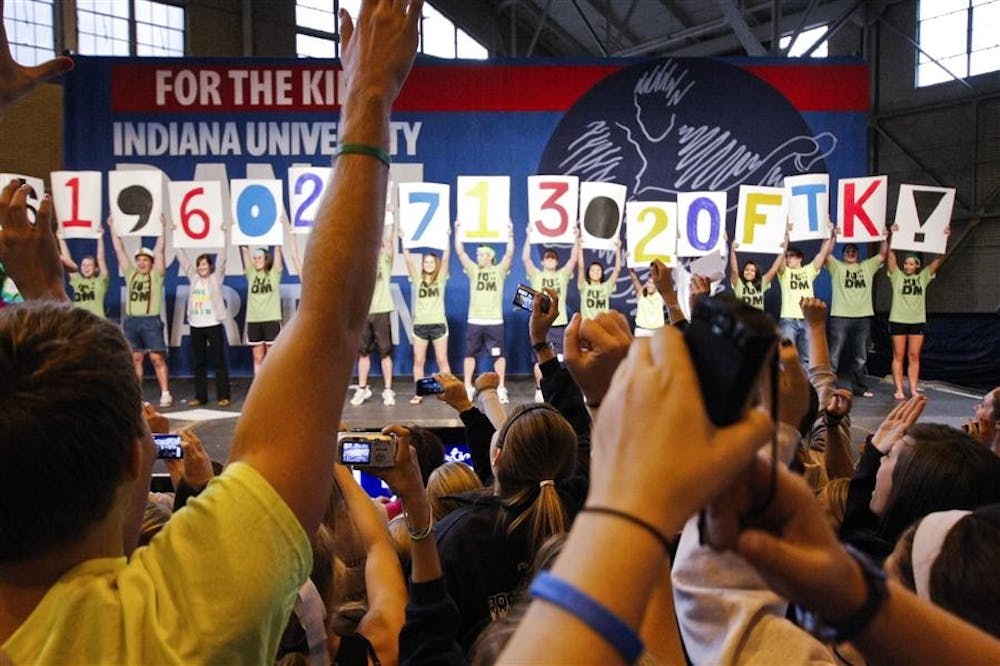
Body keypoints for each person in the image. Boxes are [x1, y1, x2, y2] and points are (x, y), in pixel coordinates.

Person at [0, 1, 421, 660]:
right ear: (133, 459)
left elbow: (328, 318)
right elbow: (332, 315)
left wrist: (47, 299)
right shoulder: (179, 622)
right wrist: (369, 94)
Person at [108, 218, 172, 407]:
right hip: (132, 321)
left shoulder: (156, 275)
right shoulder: (131, 274)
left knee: (156, 358)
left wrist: (162, 229)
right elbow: (119, 251)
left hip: (150, 321)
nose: (142, 263)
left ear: (151, 263)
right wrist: (113, 228)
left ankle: (165, 393)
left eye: (145, 260)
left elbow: (160, 250)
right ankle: (136, 396)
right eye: (139, 260)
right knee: (135, 358)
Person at [454, 220, 515, 403]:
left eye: (481, 254)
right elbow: (460, 252)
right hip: (475, 319)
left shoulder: (499, 271)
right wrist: (458, 231)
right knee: (469, 354)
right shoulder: (473, 270)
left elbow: (510, 253)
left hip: (494, 320)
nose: (478, 257)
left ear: (489, 256)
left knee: (498, 356)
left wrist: (510, 233)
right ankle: (467, 386)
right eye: (478, 254)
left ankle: (501, 387)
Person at [887, 228, 949, 399]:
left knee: (914, 355)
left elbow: (938, 259)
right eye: (906, 263)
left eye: (911, 263)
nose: (907, 266)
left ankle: (913, 388)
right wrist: (893, 235)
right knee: (898, 355)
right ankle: (899, 389)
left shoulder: (923, 277)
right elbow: (891, 256)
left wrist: (944, 238)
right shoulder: (897, 276)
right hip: (898, 319)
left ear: (917, 265)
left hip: (917, 320)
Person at [825, 236, 888, 398]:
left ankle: (859, 387)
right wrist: (832, 237)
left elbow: (883, 254)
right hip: (840, 316)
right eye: (848, 251)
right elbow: (826, 255)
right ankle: (828, 387)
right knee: (834, 354)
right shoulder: (837, 267)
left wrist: (884, 238)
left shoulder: (866, 266)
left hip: (863, 317)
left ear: (857, 254)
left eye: (854, 251)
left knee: (860, 355)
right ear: (843, 253)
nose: (851, 253)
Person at [177, 233, 231, 407]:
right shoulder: (194, 279)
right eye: (199, 264)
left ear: (210, 266)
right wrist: (175, 236)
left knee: (218, 361)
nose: (201, 267)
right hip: (196, 325)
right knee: (199, 363)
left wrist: (224, 235)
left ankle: (224, 396)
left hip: (213, 324)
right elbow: (183, 260)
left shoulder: (216, 279)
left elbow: (222, 259)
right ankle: (201, 396)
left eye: (204, 264)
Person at [523, 234, 579, 401]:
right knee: (540, 357)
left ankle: (561, 390)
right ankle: (540, 389)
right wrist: (528, 235)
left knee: (563, 359)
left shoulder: (562, 275)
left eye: (553, 258)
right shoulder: (536, 275)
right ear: (542, 262)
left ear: (556, 262)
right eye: (547, 258)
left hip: (560, 324)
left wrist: (576, 237)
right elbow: (526, 259)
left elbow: (573, 258)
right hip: (541, 325)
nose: (550, 260)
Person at [351, 221, 398, 406]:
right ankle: (362, 389)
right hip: (364, 312)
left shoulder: (384, 262)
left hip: (382, 310)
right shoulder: (360, 264)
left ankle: (388, 390)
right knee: (362, 353)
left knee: (385, 353)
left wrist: (390, 222)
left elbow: (390, 243)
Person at [775, 224, 835, 364]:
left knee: (807, 358)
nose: (789, 258)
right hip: (788, 320)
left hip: (807, 318)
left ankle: (806, 386)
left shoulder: (809, 270)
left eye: (793, 256)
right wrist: (786, 234)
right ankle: (784, 386)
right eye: (788, 256)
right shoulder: (784, 273)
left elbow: (822, 254)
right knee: (785, 357)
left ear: (800, 258)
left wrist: (829, 232)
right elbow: (781, 253)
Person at [402, 233, 450, 404]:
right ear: (422, 264)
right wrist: (404, 240)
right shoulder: (417, 279)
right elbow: (407, 261)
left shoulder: (441, 279)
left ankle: (448, 393)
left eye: (431, 262)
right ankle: (419, 393)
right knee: (419, 360)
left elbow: (445, 259)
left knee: (442, 360)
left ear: (435, 264)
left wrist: (447, 239)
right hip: (420, 325)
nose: (429, 264)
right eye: (426, 262)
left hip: (438, 324)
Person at [240, 243, 284, 376]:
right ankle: (259, 389)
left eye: (260, 258)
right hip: (254, 320)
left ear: (266, 260)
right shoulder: (251, 274)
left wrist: (278, 241)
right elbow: (244, 250)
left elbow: (277, 249)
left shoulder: (274, 274)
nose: (256, 260)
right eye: (255, 258)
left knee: (272, 358)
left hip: (271, 319)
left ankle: (273, 387)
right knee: (258, 358)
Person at [58, 225, 109, 318]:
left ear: (96, 268)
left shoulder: (101, 281)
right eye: (84, 265)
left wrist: (100, 238)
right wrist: (61, 239)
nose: (86, 268)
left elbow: (100, 258)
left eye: (89, 265)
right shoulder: (78, 281)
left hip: (97, 322)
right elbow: (67, 260)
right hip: (80, 323)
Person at [576, 236, 621, 320]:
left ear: (602, 273)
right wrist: (580, 247)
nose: (595, 272)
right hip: (587, 325)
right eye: (592, 270)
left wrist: (617, 249)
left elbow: (617, 269)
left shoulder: (606, 287)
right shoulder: (584, 286)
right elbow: (581, 267)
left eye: (598, 270)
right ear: (588, 273)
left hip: (602, 325)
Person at [728, 241, 781, 311]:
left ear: (756, 273)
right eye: (746, 270)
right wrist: (732, 250)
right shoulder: (738, 283)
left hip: (758, 320)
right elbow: (734, 270)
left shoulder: (762, 282)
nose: (749, 272)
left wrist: (782, 251)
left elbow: (774, 269)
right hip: (742, 319)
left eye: (752, 271)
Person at [628, 267, 665, 336]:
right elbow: (634, 278)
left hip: (658, 331)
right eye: (648, 282)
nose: (650, 285)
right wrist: (629, 261)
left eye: (653, 283)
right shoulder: (641, 292)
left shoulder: (661, 295)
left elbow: (667, 275)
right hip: (642, 331)